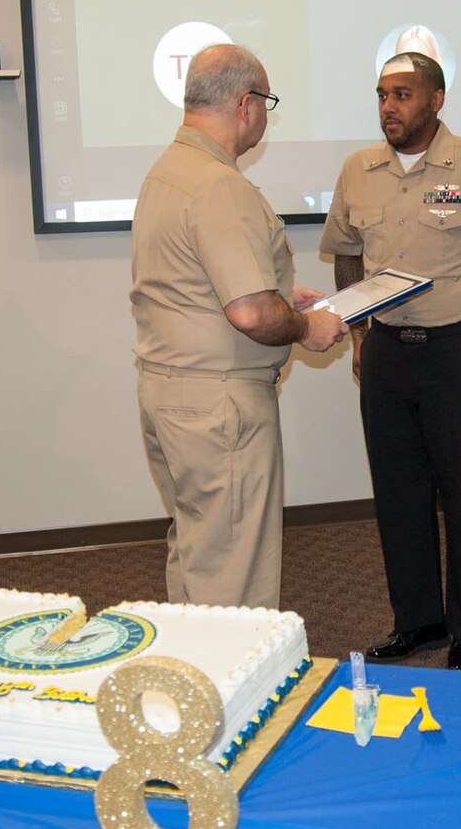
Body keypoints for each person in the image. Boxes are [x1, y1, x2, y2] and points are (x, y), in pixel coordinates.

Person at [321, 52, 461, 671]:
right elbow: (343, 249)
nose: (389, 107)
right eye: (382, 95)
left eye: (402, 94)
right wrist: (358, 329)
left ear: (436, 99)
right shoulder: (358, 170)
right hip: (389, 356)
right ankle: (418, 622)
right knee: (398, 495)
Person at [131, 43, 349, 608]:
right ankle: (229, 693)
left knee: (198, 552)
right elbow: (250, 314)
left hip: (169, 393)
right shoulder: (218, 185)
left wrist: (279, 294)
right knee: (232, 577)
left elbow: (202, 286)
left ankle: (190, 683)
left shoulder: (167, 172)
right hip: (219, 406)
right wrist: (305, 326)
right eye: (268, 104)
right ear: (247, 105)